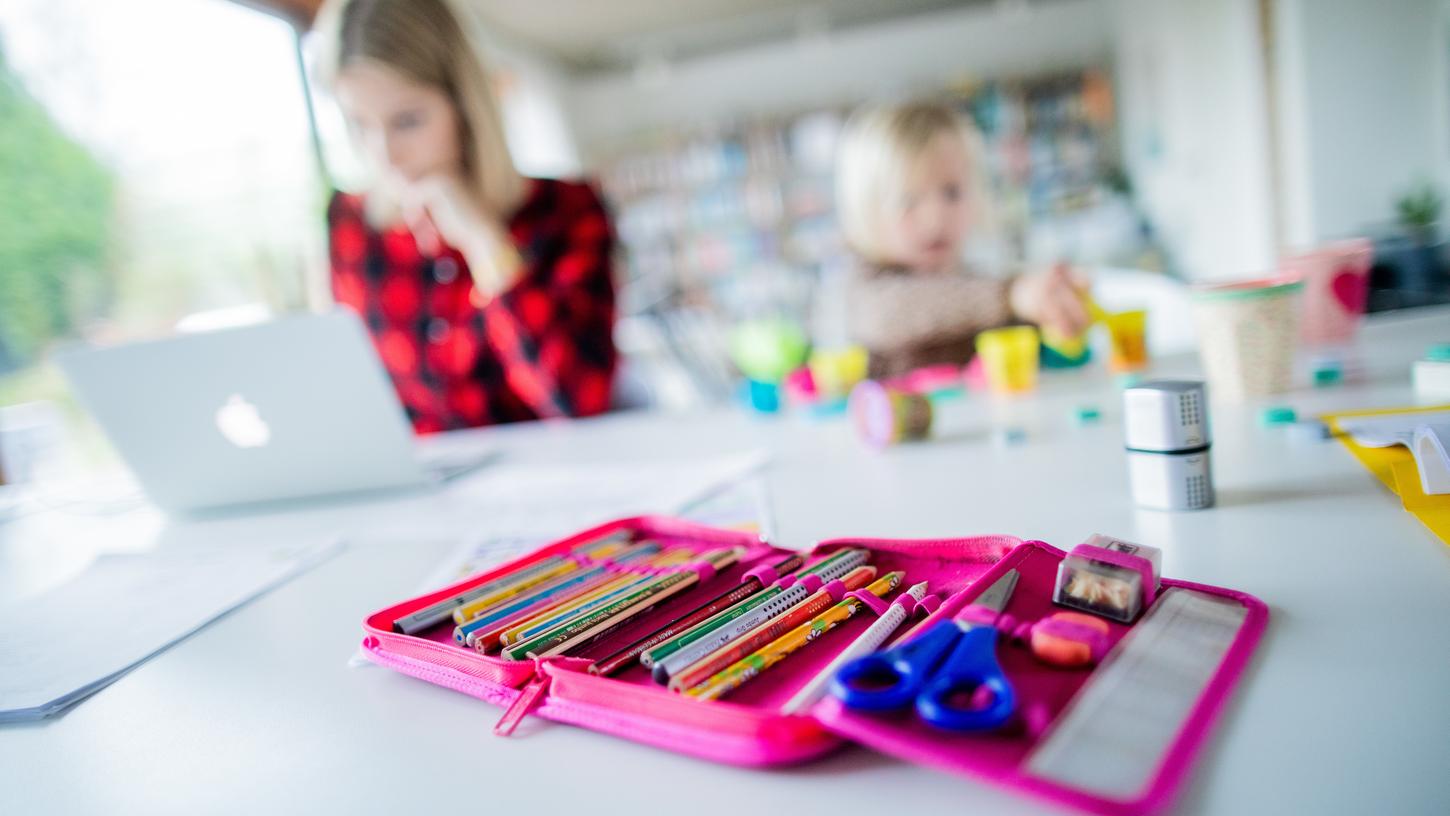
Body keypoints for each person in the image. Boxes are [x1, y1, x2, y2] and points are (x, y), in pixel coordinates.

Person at [314, 0, 615, 432]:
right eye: (360, 124)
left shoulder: (565, 210)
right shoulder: (350, 225)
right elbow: (352, 398)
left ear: (464, 105)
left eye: (408, 120)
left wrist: (485, 241)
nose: (385, 156)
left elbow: (578, 402)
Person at [836, 100, 1091, 379]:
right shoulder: (867, 289)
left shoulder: (974, 280)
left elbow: (1002, 320)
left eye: (952, 193)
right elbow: (897, 312)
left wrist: (1047, 304)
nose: (935, 218)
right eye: (907, 200)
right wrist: (1012, 294)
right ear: (865, 209)